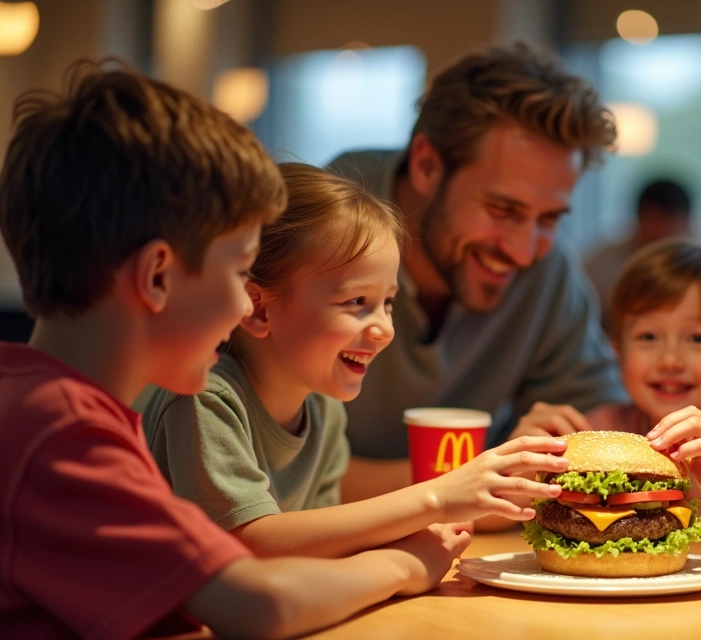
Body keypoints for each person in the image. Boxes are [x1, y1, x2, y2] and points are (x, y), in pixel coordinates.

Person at [0, 61, 475, 639]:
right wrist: (404, 564)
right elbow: (261, 607)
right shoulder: (61, 432)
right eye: (240, 270)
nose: (244, 307)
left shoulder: (48, 406)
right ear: (157, 277)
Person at [141, 163, 570, 559]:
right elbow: (249, 544)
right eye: (357, 302)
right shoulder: (203, 400)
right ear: (259, 309)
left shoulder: (322, 408)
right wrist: (434, 499)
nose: (385, 329)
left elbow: (320, 542)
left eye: (387, 303)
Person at [327, 42, 628, 502]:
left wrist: (538, 455)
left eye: (550, 219)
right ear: (427, 164)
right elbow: (276, 477)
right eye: (503, 209)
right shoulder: (312, 236)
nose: (525, 252)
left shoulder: (549, 267)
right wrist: (485, 478)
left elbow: (598, 418)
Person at [523, 238, 701, 531]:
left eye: (697, 339)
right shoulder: (599, 429)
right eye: (648, 337)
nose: (670, 360)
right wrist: (520, 465)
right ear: (619, 353)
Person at [584, 178, 694, 312]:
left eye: (669, 222)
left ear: (687, 223)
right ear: (638, 218)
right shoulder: (602, 264)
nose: (661, 232)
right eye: (654, 220)